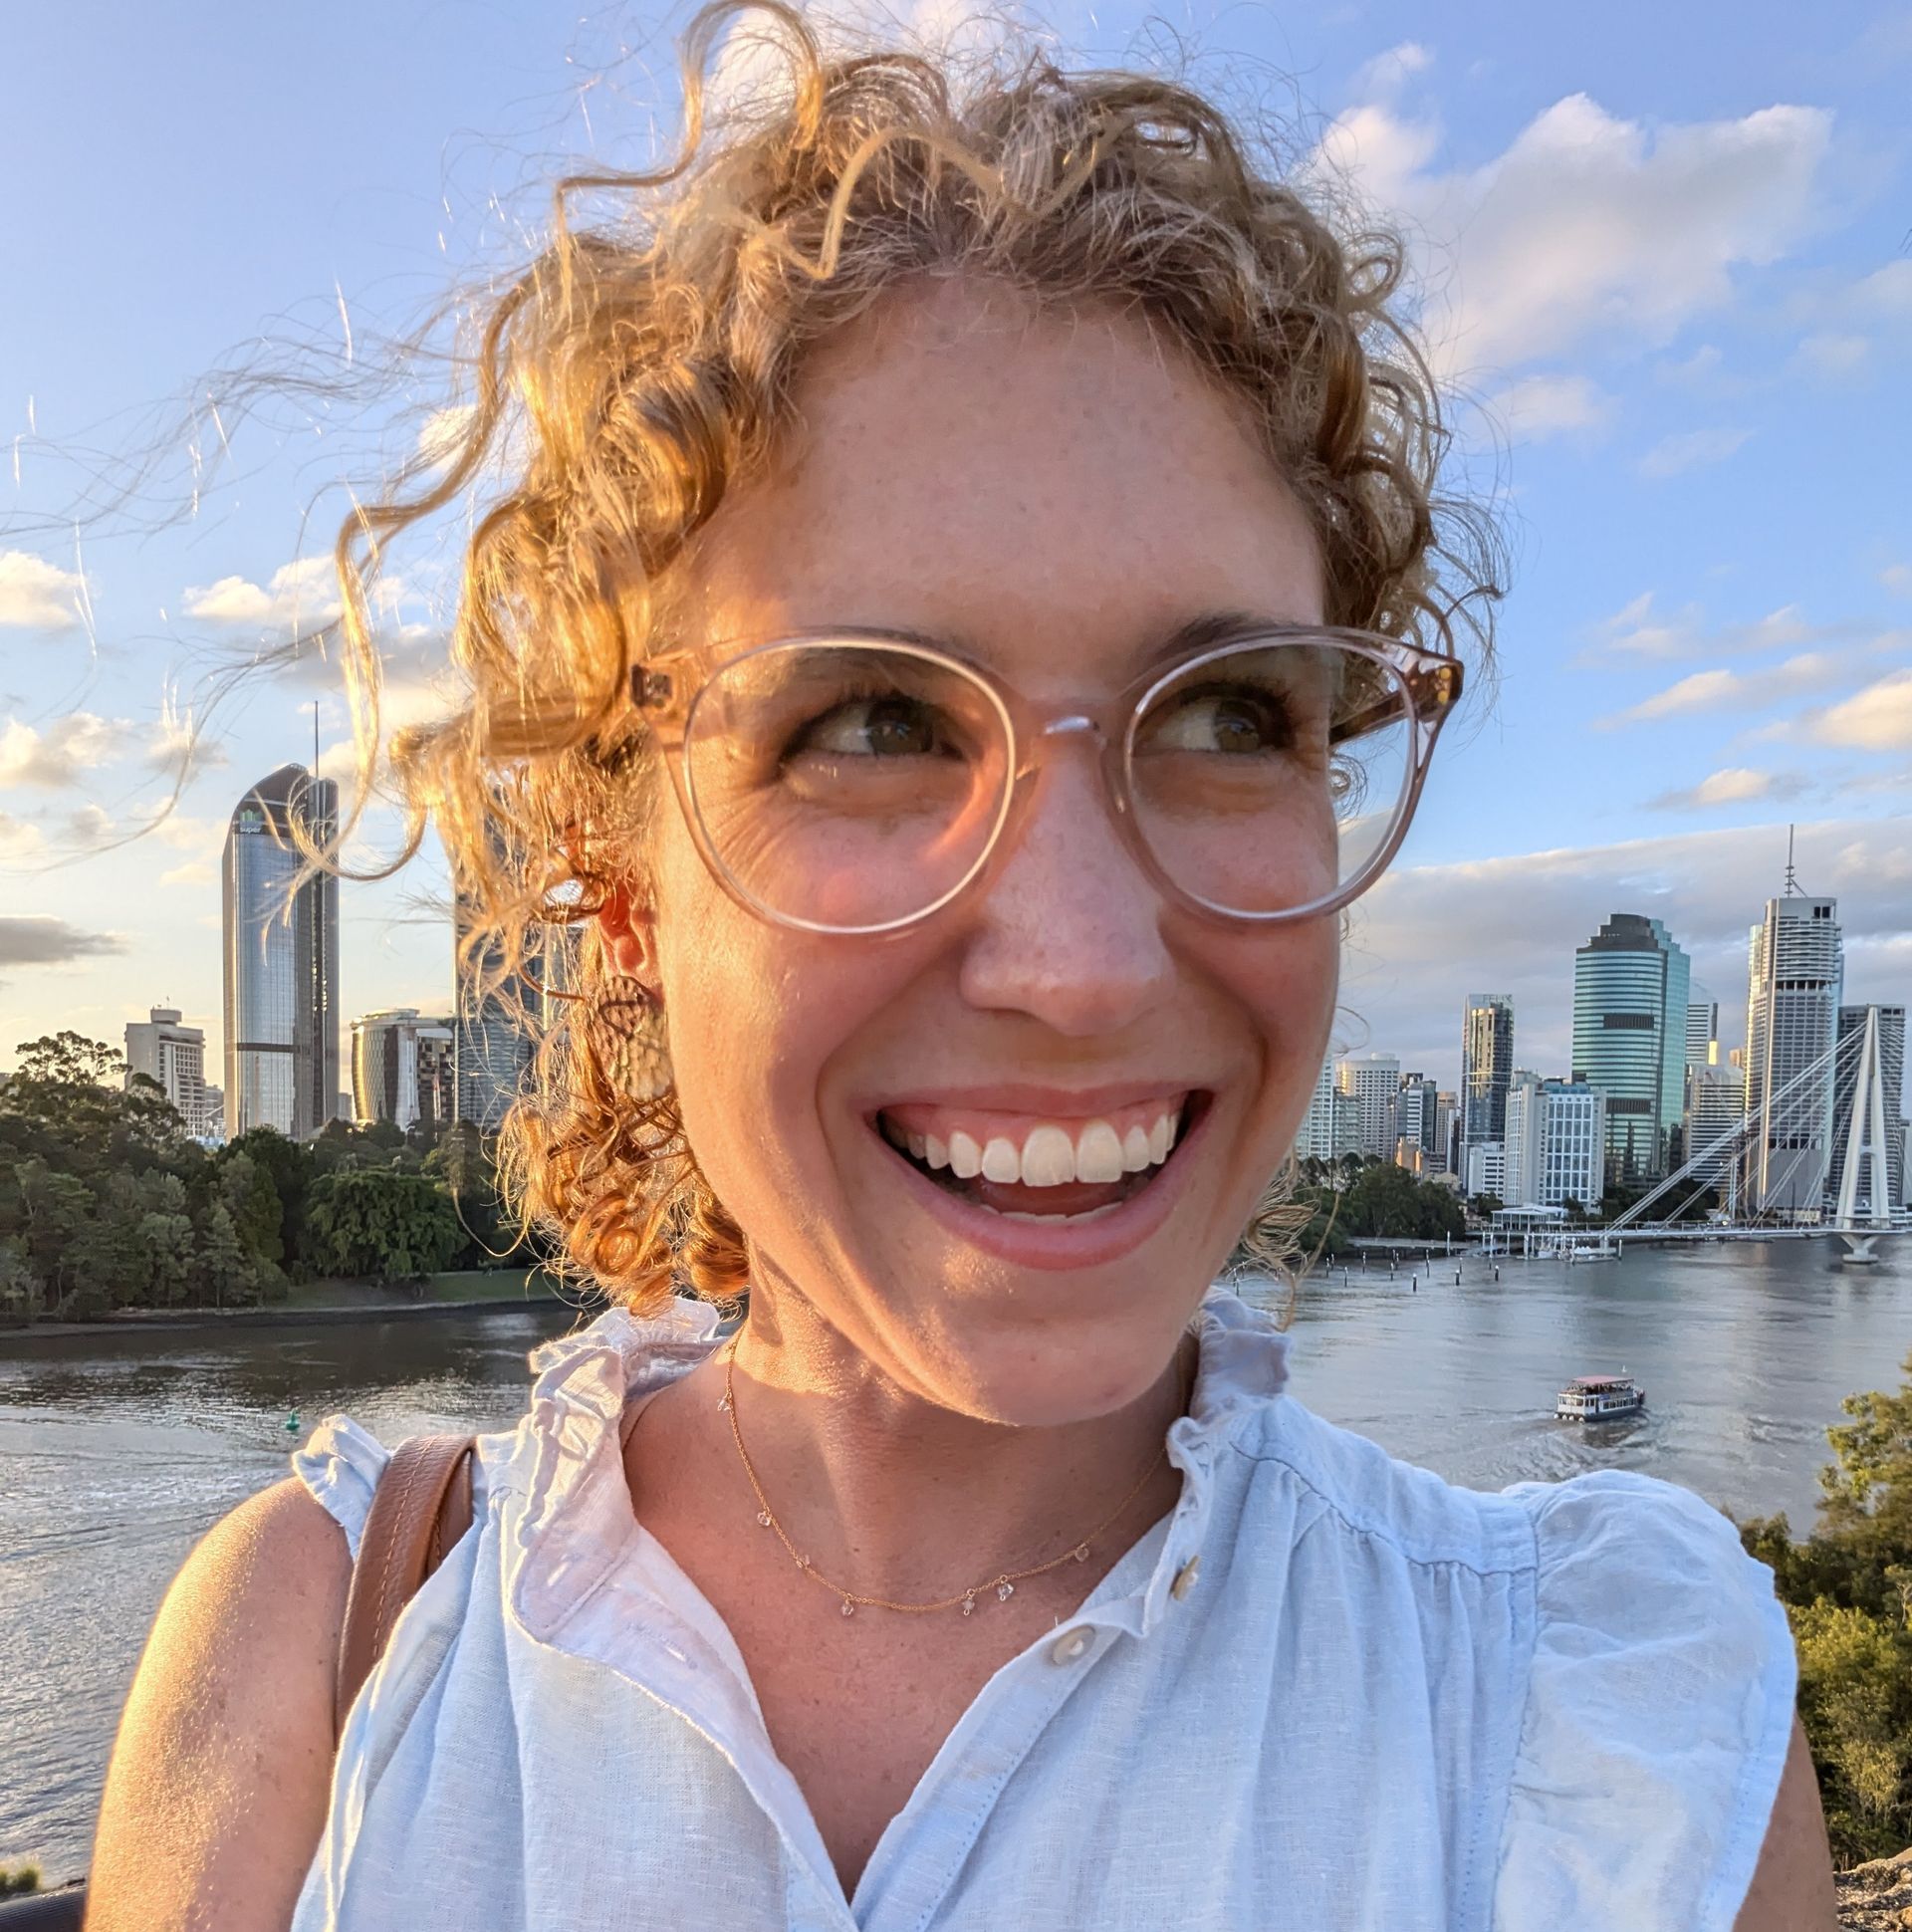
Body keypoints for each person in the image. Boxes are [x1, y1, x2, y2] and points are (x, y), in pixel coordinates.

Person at [84, 4, 1833, 1925]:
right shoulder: (323, 1658)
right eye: (868, 723)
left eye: (1236, 712)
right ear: (615, 871)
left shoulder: (1607, 1734)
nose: (1080, 966)